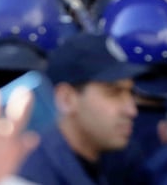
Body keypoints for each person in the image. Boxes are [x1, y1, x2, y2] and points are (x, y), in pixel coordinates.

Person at [16, 32, 145, 185]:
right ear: (67, 99)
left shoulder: (122, 158)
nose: (131, 110)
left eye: (130, 92)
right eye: (113, 92)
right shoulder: (33, 175)